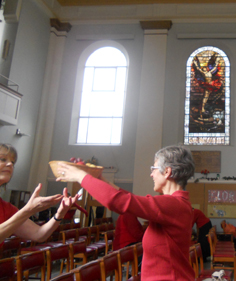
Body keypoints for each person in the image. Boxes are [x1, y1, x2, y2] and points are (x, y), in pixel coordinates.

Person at [56, 145, 195, 281]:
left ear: (167, 172)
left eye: (153, 169)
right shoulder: (175, 203)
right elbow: (128, 198)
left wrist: (80, 175)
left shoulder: (173, 204)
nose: (151, 174)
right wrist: (100, 179)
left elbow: (117, 201)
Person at [0, 143, 79, 245]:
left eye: (12, 162)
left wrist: (60, 214)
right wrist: (27, 211)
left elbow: (38, 234)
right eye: (3, 159)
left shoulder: (6, 208)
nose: (10, 164)